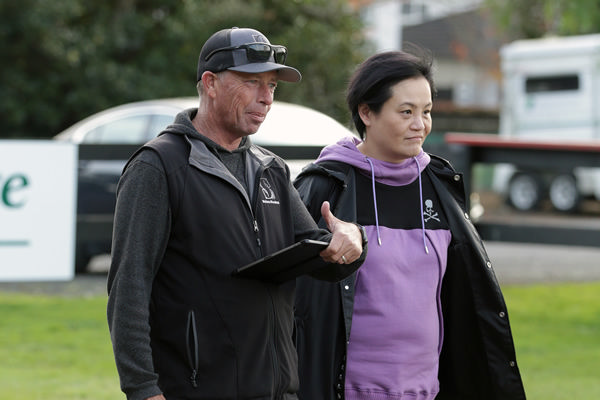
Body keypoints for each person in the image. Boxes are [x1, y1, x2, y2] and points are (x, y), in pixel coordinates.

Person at [106, 27, 367, 400]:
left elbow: (320, 258)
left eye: (272, 86)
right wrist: (143, 389)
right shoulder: (159, 166)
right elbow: (128, 288)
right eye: (252, 82)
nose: (266, 98)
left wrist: (352, 240)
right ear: (210, 83)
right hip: (195, 389)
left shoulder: (271, 169)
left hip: (279, 390)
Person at [293, 50, 526, 400]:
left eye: (427, 111)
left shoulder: (440, 185)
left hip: (427, 390)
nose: (420, 124)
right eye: (406, 112)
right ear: (366, 112)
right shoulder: (327, 186)